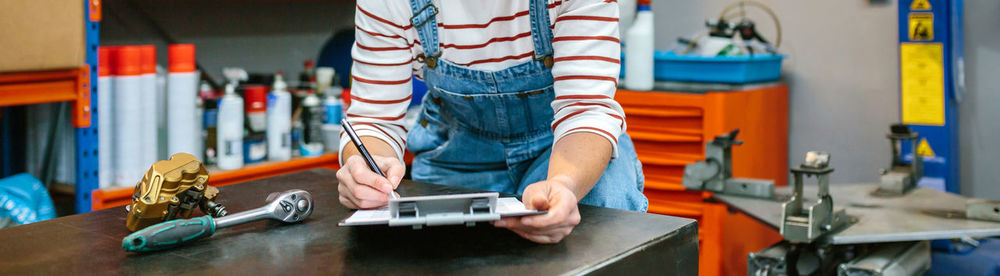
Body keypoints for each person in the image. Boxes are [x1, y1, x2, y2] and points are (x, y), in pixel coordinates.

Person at [337, 0, 648, 243]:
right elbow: (373, 119)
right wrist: (366, 171)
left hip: (560, 149)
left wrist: (563, 184)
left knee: (602, 206)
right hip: (458, 155)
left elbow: (585, 109)